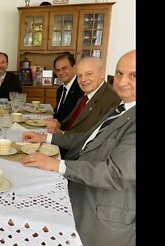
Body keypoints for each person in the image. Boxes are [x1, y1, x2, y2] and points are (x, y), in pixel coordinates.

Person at [21, 50, 136, 246]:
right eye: (119, 73)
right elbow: (84, 139)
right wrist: (46, 137)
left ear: (101, 74)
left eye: (133, 75)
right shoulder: (120, 109)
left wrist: (58, 165)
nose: (123, 81)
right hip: (80, 182)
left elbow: (117, 173)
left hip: (101, 213)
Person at [46, 56, 120, 135]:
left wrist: (60, 134)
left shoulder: (112, 99)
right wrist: (58, 125)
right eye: (79, 76)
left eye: (89, 74)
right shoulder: (86, 94)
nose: (83, 80)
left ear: (102, 73)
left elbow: (91, 138)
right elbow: (71, 123)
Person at [52, 52, 84, 124]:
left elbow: (74, 120)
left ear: (74, 67)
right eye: (58, 70)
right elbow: (58, 114)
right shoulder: (60, 90)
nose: (61, 72)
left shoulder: (81, 89)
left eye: (64, 68)